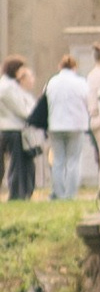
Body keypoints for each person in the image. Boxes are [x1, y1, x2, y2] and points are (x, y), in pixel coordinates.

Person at [39, 51, 92, 199]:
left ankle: (59, 192)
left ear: (59, 67)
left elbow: (45, 101)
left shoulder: (52, 82)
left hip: (55, 125)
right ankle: (70, 194)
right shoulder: (81, 82)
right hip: (76, 125)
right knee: (73, 160)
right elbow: (89, 101)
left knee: (58, 161)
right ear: (74, 68)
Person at [0, 60, 34, 199]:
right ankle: (16, 193)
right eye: (22, 70)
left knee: (17, 163)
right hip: (13, 128)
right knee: (17, 163)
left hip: (8, 127)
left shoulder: (9, 85)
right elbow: (21, 109)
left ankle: (20, 192)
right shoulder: (8, 87)